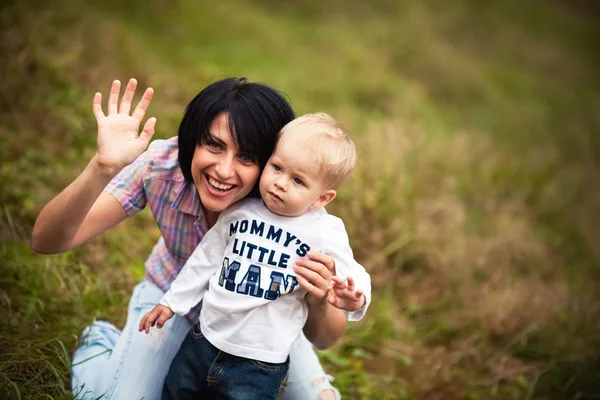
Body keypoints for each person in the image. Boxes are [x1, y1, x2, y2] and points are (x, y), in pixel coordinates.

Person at [31, 78, 351, 400]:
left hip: (258, 323)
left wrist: (320, 298)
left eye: (247, 157)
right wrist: (102, 167)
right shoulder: (161, 167)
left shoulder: (296, 213)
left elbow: (325, 338)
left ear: (271, 160)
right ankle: (99, 342)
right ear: (192, 138)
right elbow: (46, 241)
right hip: (172, 298)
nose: (224, 171)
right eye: (214, 145)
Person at [139, 113, 372, 400]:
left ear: (322, 198)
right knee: (176, 392)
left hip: (260, 363)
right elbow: (205, 259)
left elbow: (354, 273)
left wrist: (356, 296)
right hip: (204, 338)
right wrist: (172, 302)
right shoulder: (241, 210)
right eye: (276, 167)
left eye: (298, 180)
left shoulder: (324, 231)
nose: (280, 183)